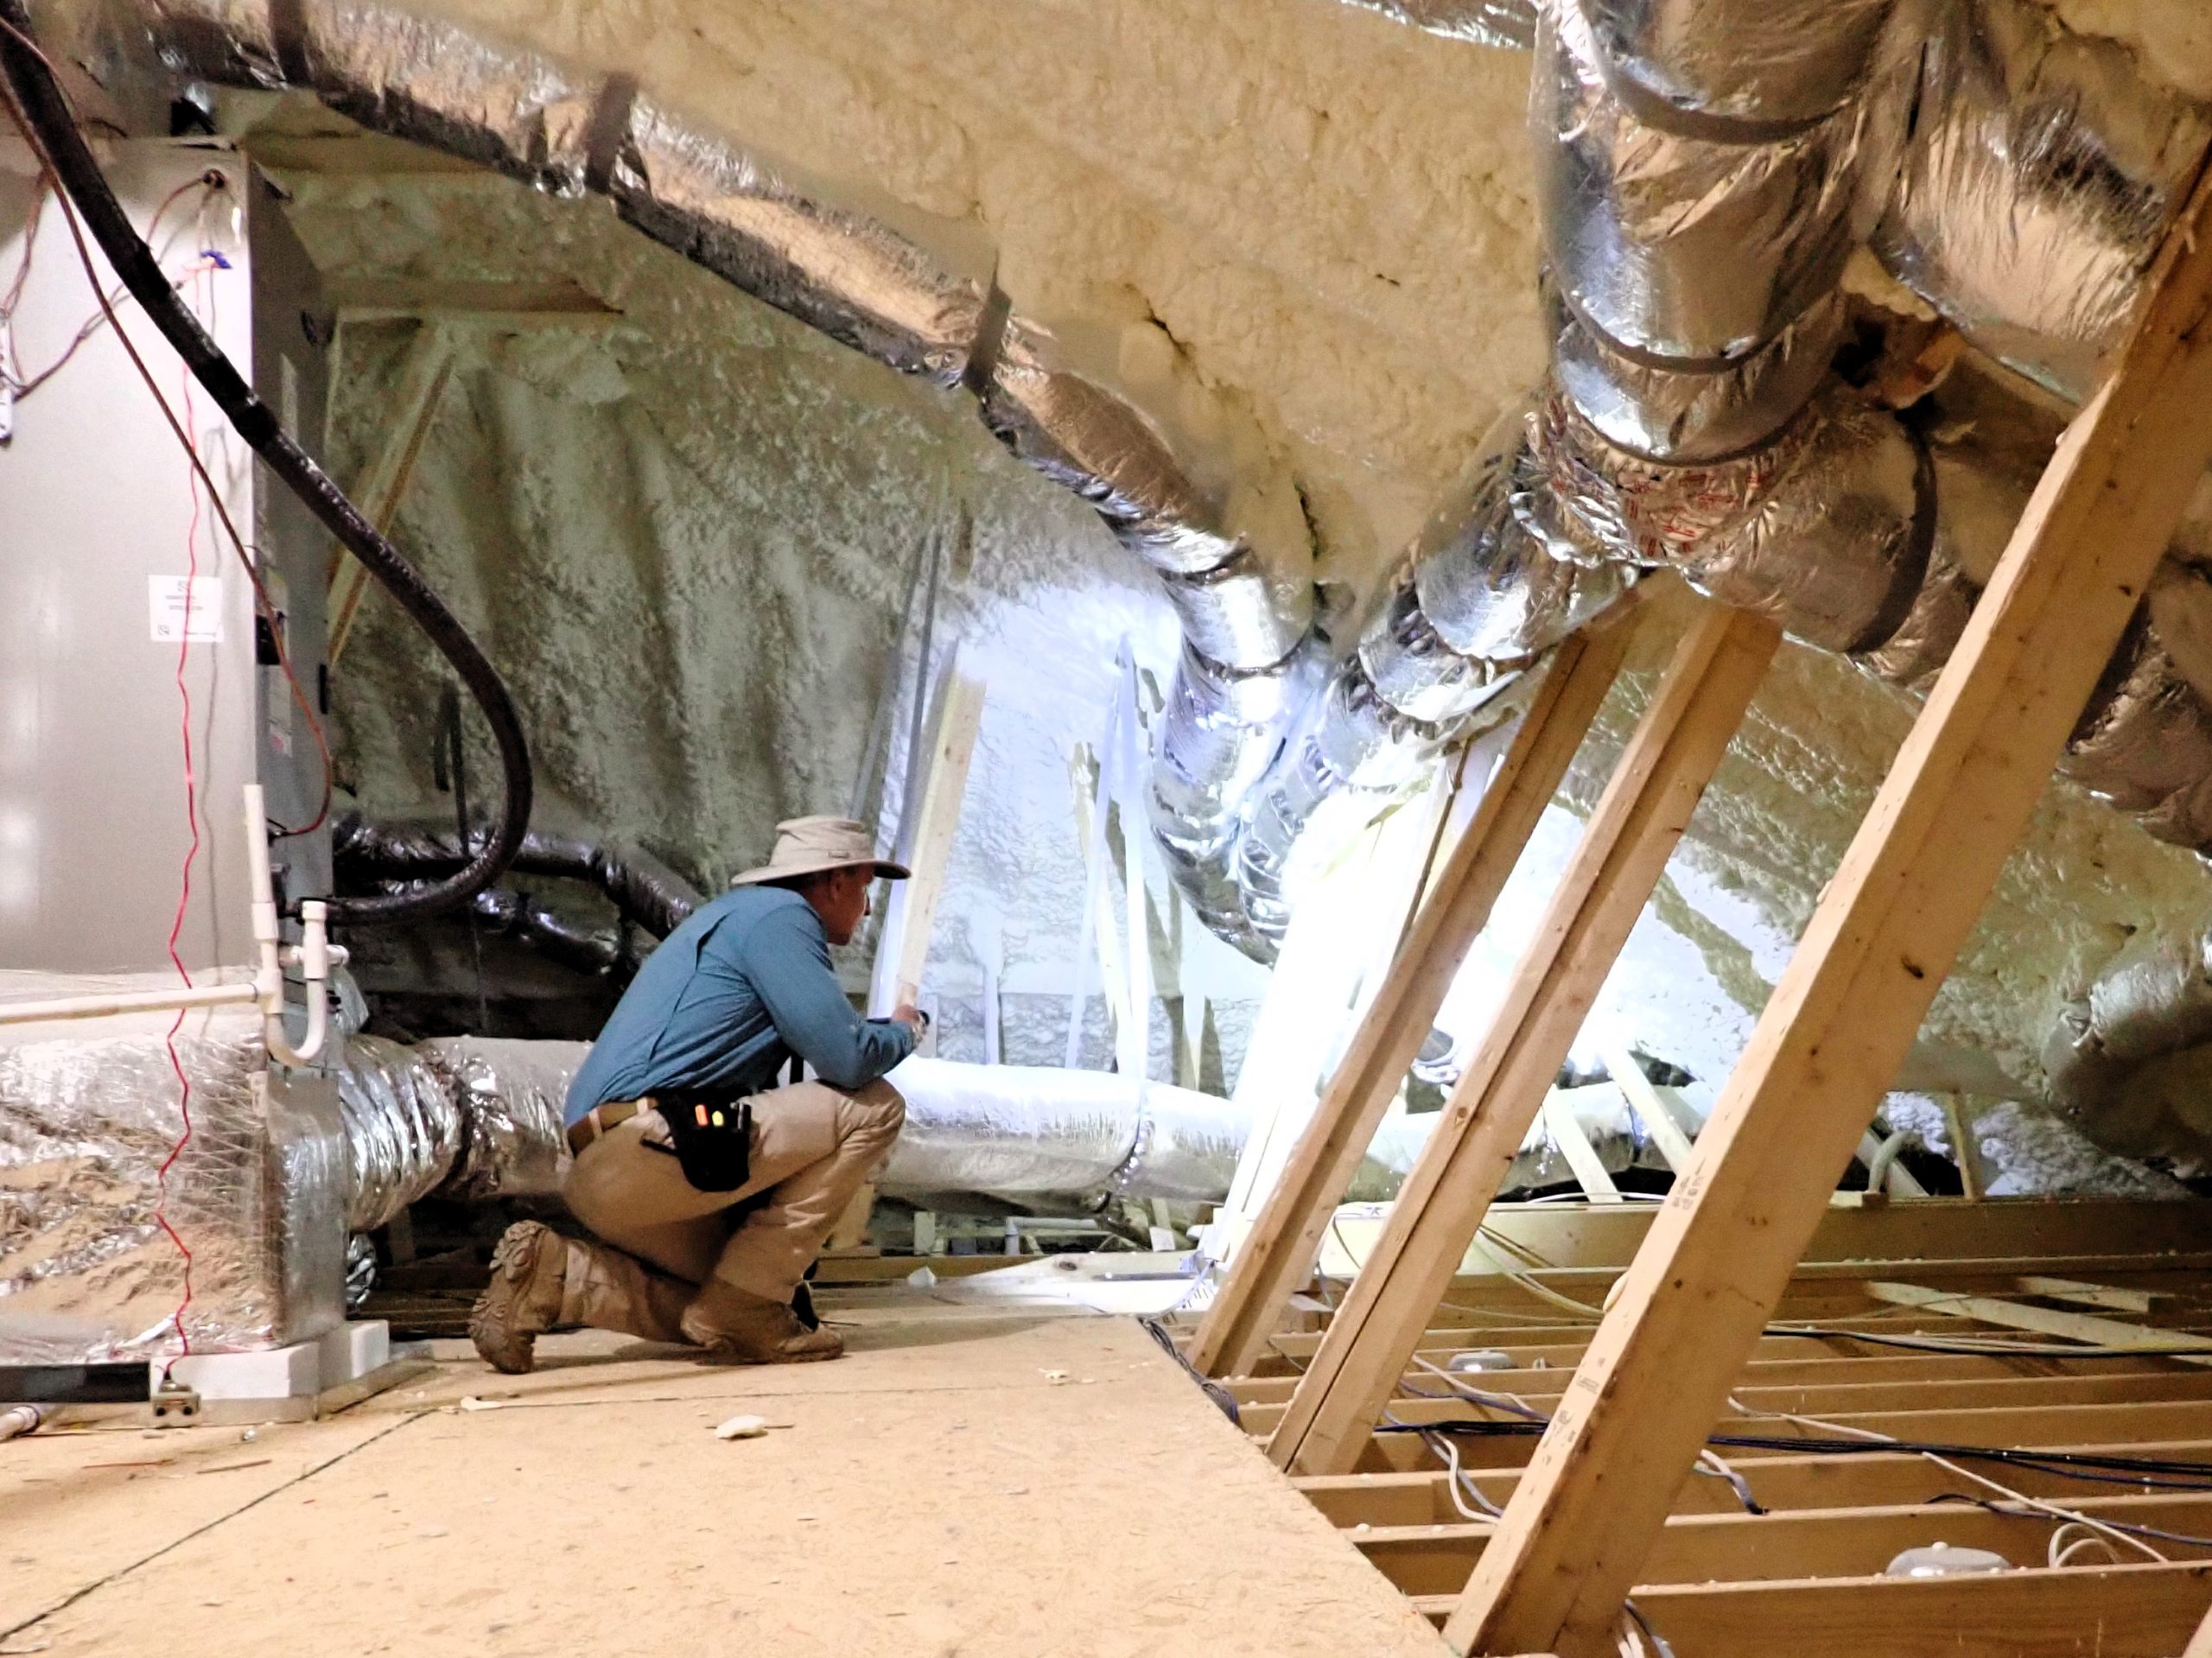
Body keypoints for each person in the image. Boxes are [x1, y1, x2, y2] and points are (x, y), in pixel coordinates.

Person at [469, 816, 925, 1371]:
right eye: (865, 888)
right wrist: (905, 1028)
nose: (868, 907)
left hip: (608, 1170)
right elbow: (848, 1058)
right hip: (655, 1147)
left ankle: (556, 1274)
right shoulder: (781, 917)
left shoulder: (733, 919)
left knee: (731, 1310)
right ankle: (747, 1306)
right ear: (836, 881)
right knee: (876, 1106)